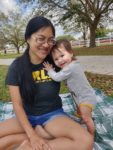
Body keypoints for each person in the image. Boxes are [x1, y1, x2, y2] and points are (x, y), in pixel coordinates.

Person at [0, 16, 93, 150]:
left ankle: (30, 145)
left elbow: (76, 71)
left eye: (50, 40)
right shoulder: (17, 66)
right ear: (28, 38)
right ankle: (39, 136)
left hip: (52, 115)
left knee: (86, 141)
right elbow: (17, 104)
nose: (46, 44)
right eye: (41, 38)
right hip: (26, 116)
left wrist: (86, 103)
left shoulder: (55, 60)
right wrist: (32, 135)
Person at [43, 39, 97, 135]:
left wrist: (50, 70)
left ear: (71, 53)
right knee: (83, 113)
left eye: (62, 55)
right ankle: (85, 122)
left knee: (86, 118)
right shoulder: (73, 65)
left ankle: (91, 135)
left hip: (86, 98)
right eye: (56, 59)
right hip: (81, 97)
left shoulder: (70, 68)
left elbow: (57, 77)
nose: (60, 60)